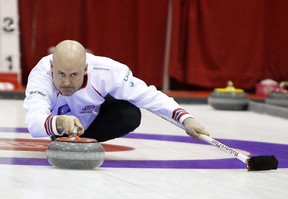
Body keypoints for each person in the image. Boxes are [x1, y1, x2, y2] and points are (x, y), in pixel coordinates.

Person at [23, 40, 209, 142]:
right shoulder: (40, 75)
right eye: (61, 74)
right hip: (60, 123)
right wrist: (61, 122)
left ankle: (82, 141)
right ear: (51, 67)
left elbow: (147, 96)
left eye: (74, 75)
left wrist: (186, 119)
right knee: (52, 124)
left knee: (130, 114)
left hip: (94, 116)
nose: (66, 82)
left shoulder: (107, 70)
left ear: (86, 69)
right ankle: (64, 137)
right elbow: (34, 122)